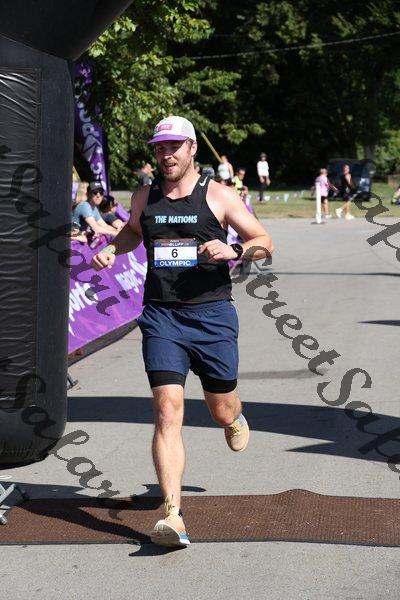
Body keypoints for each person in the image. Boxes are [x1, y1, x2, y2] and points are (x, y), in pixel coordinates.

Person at [91, 115, 274, 548]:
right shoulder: (144, 196)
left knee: (220, 409)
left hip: (212, 316)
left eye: (174, 146)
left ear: (192, 149)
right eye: (159, 147)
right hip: (161, 316)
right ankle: (173, 515)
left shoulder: (219, 195)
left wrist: (233, 249)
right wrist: (113, 249)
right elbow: (133, 231)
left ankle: (233, 416)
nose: (166, 154)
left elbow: (264, 240)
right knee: (167, 410)